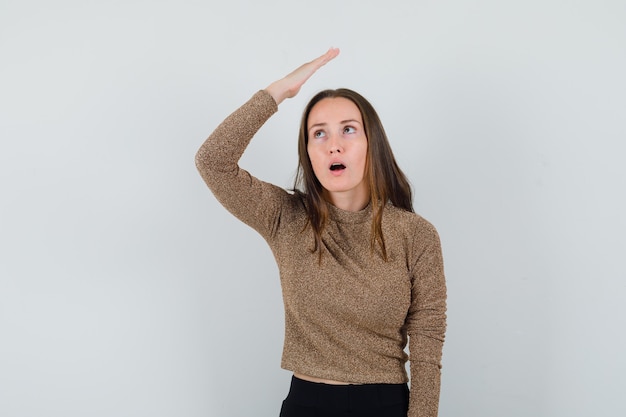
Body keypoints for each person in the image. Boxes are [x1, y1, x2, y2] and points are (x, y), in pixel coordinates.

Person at [195, 48, 447, 417]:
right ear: (309, 153)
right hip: (306, 405)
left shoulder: (416, 234)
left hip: (386, 405)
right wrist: (276, 93)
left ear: (371, 143)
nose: (334, 144)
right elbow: (212, 162)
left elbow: (428, 338)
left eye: (348, 129)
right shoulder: (285, 217)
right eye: (319, 134)